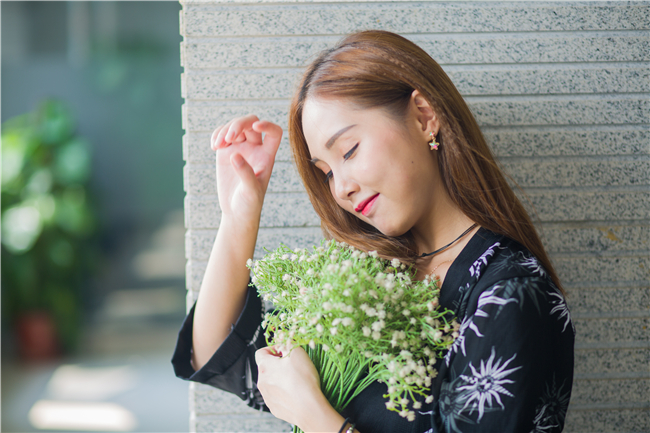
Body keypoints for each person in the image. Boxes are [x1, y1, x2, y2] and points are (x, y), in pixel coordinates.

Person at [172, 30, 574, 433]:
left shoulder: (511, 294)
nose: (341, 187)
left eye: (348, 150)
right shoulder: (370, 277)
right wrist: (240, 213)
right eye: (326, 172)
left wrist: (319, 419)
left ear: (423, 116)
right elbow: (219, 355)